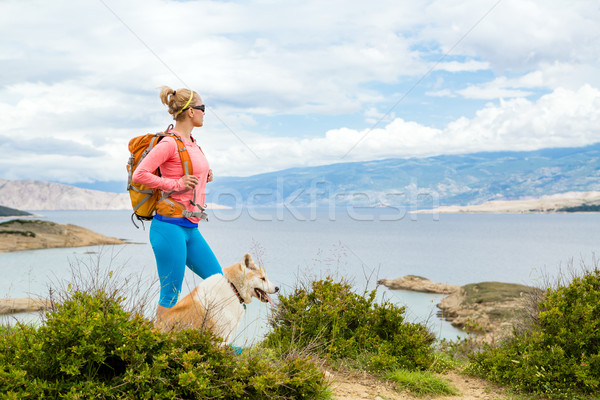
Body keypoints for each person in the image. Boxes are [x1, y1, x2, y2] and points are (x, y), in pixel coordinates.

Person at [132, 86, 222, 326]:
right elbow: (139, 175)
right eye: (202, 108)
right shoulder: (169, 144)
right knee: (171, 294)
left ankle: (211, 341)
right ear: (191, 111)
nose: (205, 112)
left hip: (191, 228)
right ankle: (162, 342)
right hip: (168, 228)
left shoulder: (192, 143)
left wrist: (205, 176)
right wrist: (176, 183)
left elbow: (189, 174)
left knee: (220, 282)